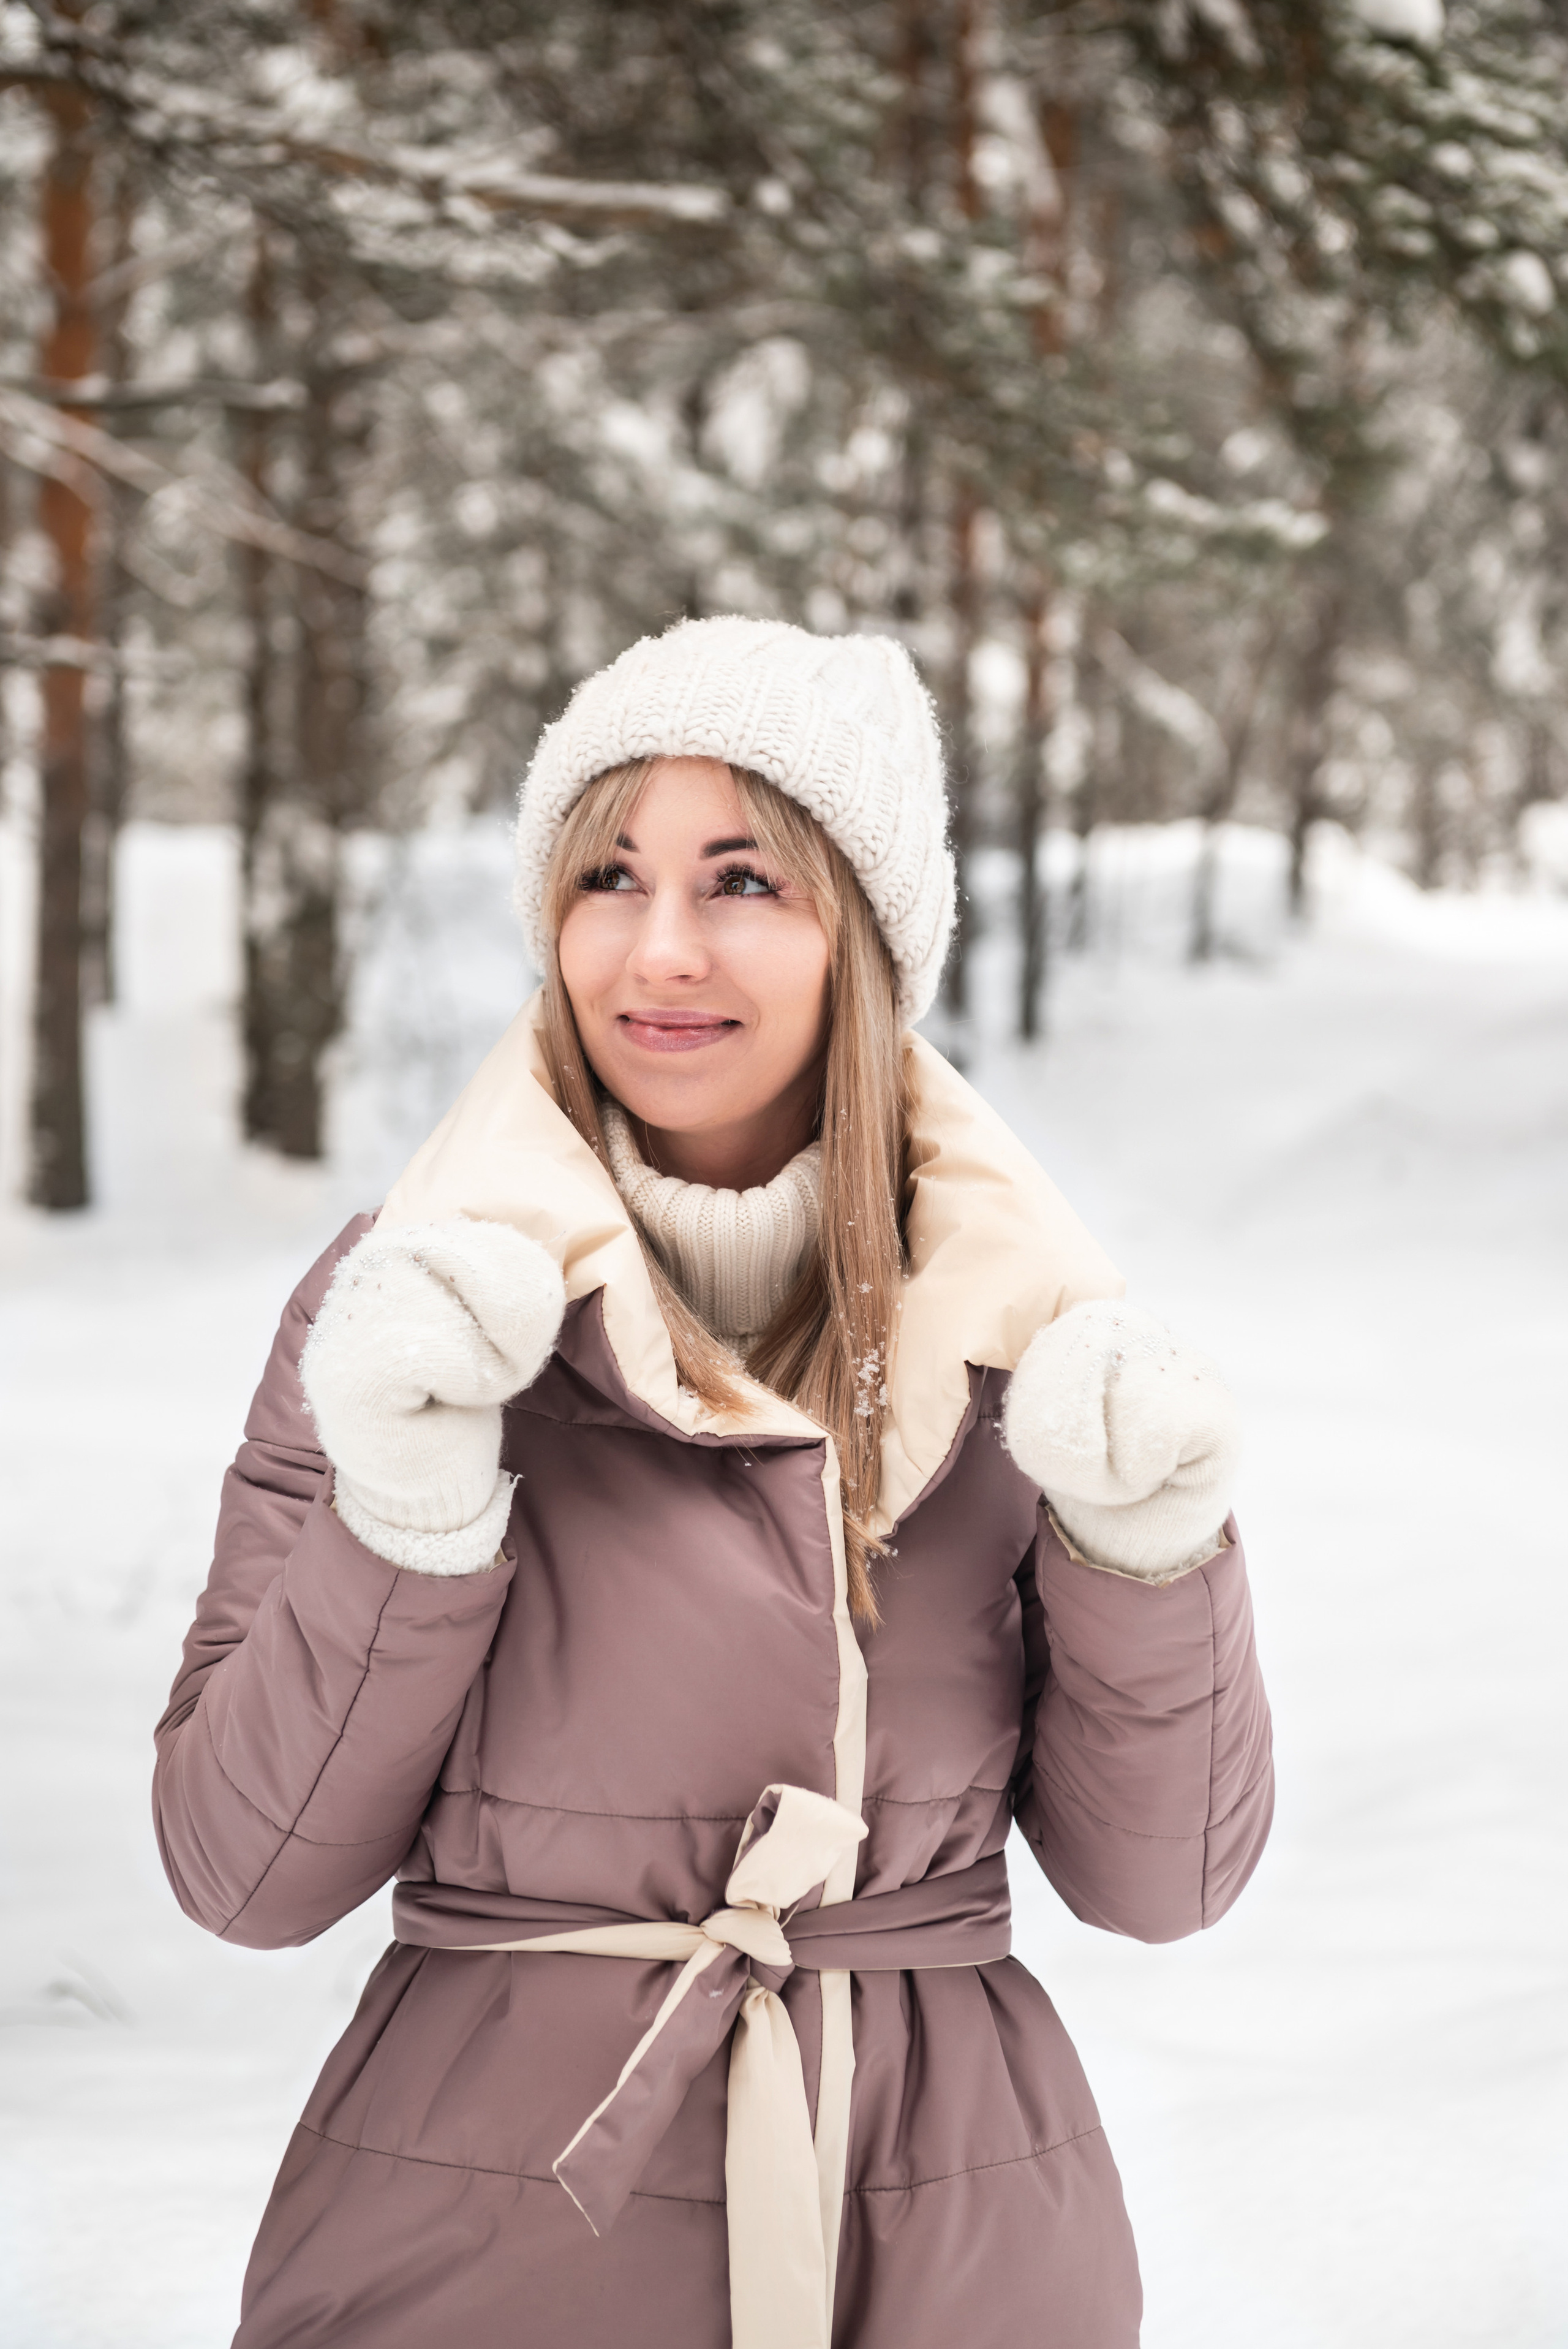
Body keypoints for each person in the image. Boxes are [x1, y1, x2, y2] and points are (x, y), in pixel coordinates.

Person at [154, 616, 1272, 2349]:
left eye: (742, 877)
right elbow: (243, 1870)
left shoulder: (1037, 1334)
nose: (657, 945)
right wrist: (411, 1513)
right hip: (491, 2247)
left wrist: (1147, 1552)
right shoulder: (410, 1303)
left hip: (953, 2242)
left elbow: (1163, 1884)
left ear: (866, 933)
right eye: (609, 873)